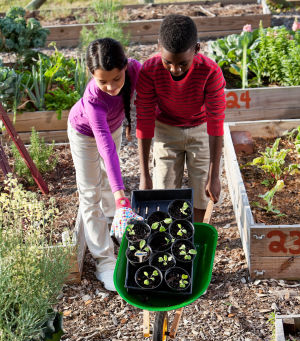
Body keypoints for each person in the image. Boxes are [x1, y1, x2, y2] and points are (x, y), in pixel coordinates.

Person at [135, 14, 226, 222]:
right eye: (168, 63)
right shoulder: (149, 70)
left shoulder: (210, 72)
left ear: (196, 49)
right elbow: (145, 121)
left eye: (182, 64)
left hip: (201, 129)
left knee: (203, 193)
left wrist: (214, 176)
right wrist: (144, 174)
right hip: (166, 130)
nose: (175, 69)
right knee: (164, 190)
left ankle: (194, 235)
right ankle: (170, 238)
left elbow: (215, 124)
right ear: (159, 47)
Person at [68, 38, 142, 291]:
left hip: (116, 125)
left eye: (116, 79)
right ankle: (104, 261)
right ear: (92, 75)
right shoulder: (93, 100)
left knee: (109, 181)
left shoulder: (135, 69)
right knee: (90, 193)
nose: (111, 87)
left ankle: (113, 224)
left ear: (124, 67)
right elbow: (105, 147)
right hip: (84, 134)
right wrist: (123, 198)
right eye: (103, 81)